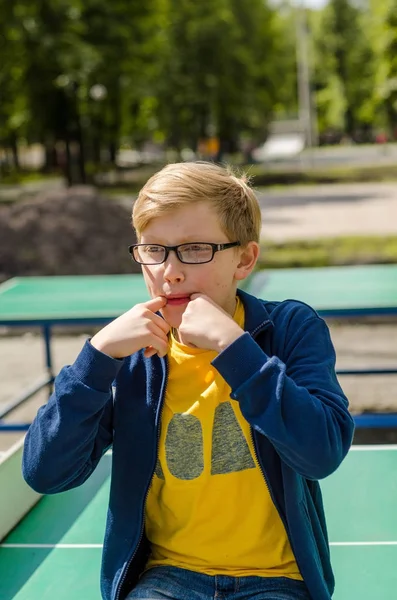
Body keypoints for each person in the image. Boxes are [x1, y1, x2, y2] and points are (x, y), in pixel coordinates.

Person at [22, 161, 354, 600]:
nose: (170, 271)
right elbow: (46, 473)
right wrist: (95, 360)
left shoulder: (290, 328)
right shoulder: (130, 356)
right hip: (168, 577)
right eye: (154, 250)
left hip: (278, 579)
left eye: (195, 249)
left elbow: (322, 453)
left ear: (245, 258)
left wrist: (235, 349)